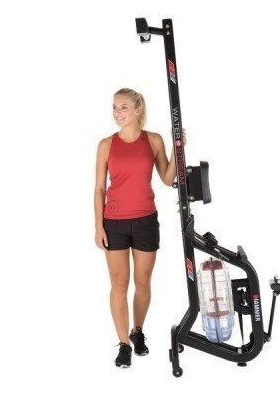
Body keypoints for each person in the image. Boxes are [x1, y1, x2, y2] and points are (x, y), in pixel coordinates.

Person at [94, 87, 181, 368]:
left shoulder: (153, 140)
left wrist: (178, 149)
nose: (117, 113)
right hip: (114, 223)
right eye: (114, 107)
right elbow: (99, 189)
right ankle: (123, 345)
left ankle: (138, 331)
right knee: (119, 285)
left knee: (143, 283)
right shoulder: (106, 144)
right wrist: (98, 226)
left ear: (137, 109)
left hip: (145, 221)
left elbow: (167, 178)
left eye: (123, 107)